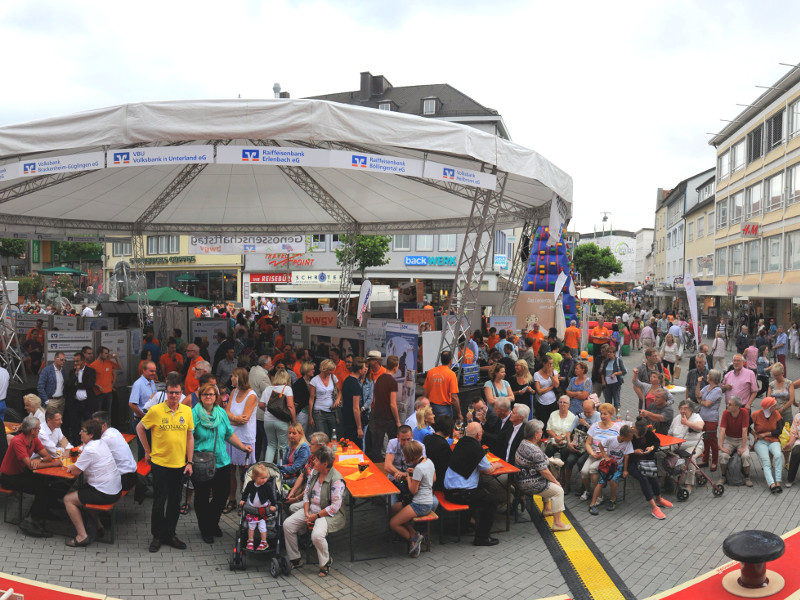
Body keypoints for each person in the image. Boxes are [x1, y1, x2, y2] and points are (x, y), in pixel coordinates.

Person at [136, 378, 194, 553]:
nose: (174, 396)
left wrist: (189, 461)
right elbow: (140, 427)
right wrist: (147, 450)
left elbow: (189, 436)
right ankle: (157, 536)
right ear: (166, 393)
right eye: (171, 392)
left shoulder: (187, 411)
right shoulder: (156, 410)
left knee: (175, 501)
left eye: (177, 392)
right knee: (159, 501)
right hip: (160, 463)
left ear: (181, 393)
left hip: (179, 464)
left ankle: (170, 534)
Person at [191, 383, 252, 543]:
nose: (208, 397)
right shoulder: (194, 414)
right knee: (202, 497)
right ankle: (206, 529)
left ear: (216, 396)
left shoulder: (221, 414)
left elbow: (229, 434)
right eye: (205, 394)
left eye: (211, 394)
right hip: (201, 462)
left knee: (222, 495)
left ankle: (212, 522)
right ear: (200, 397)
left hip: (221, 461)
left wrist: (242, 446)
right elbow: (188, 438)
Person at [283, 445, 345, 577]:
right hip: (311, 509)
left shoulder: (337, 480)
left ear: (325, 464)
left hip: (327, 514)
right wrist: (306, 512)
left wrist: (315, 516)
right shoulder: (314, 473)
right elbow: (306, 494)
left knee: (316, 535)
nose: (313, 462)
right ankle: (295, 558)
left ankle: (325, 562)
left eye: (316, 460)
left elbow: (334, 506)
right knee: (288, 525)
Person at [0, 415, 65, 537]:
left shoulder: (34, 439)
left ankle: (41, 513)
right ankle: (30, 521)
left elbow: (47, 457)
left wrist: (39, 462)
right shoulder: (17, 441)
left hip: (21, 472)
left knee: (46, 482)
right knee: (42, 489)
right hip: (9, 477)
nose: (40, 430)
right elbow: (31, 466)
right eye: (38, 428)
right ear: (32, 430)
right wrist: (54, 463)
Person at [62, 419, 121, 547]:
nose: (79, 433)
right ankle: (99, 526)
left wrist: (71, 466)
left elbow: (76, 472)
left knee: (68, 499)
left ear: (91, 434)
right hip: (115, 489)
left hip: (105, 492)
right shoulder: (101, 443)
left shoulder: (90, 450)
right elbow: (80, 449)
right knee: (83, 492)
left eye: (83, 431)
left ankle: (82, 536)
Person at [443, 422, 501, 546]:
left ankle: (464, 526)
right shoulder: (477, 448)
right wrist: (496, 465)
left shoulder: (460, 443)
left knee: (479, 490)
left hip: (448, 491)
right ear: (479, 435)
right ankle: (482, 537)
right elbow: (487, 469)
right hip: (461, 494)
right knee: (491, 501)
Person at [514, 419, 570, 531]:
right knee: (558, 490)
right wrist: (556, 481)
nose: (541, 433)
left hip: (520, 478)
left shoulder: (523, 443)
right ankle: (558, 524)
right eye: (540, 431)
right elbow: (544, 470)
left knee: (547, 481)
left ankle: (547, 509)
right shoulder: (535, 450)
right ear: (535, 435)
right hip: (530, 483)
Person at [389, 440, 435, 558]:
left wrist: (409, 476)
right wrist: (415, 473)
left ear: (410, 456)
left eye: (405, 455)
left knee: (393, 523)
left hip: (420, 504)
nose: (404, 457)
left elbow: (412, 490)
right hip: (427, 500)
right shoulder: (429, 462)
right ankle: (414, 533)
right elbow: (433, 479)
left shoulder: (419, 468)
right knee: (395, 509)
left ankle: (413, 539)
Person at [628, 418, 672, 519]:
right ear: (634, 428)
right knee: (643, 479)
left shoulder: (648, 432)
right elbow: (622, 450)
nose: (639, 437)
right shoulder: (629, 434)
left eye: (642, 436)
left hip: (646, 461)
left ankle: (659, 498)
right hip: (632, 462)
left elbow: (657, 442)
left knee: (653, 477)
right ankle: (654, 507)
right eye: (638, 435)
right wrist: (634, 451)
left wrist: (651, 448)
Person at [587, 424, 634, 515]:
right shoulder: (611, 439)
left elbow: (626, 456)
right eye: (630, 437)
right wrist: (605, 456)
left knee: (613, 480)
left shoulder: (628, 443)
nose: (631, 439)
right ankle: (592, 503)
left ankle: (613, 499)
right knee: (601, 482)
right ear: (623, 437)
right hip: (608, 465)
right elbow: (601, 444)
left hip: (618, 466)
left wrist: (625, 470)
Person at [580, 403, 620, 501]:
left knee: (593, 469)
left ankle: (599, 495)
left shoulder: (616, 428)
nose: (602, 416)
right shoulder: (594, 426)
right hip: (593, 454)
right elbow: (588, 443)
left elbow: (616, 446)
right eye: (601, 414)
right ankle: (588, 491)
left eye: (605, 414)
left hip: (606, 456)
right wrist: (592, 453)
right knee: (583, 472)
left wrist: (602, 454)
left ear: (611, 415)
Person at [92, 411, 138, 494]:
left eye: (95, 424)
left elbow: (89, 453)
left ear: (104, 425)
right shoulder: (114, 431)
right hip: (132, 475)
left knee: (92, 477)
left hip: (124, 480)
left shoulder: (106, 439)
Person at [666, 401, 705, 495]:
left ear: (691, 409)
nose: (683, 411)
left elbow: (700, 427)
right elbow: (670, 433)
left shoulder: (696, 417)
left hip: (693, 446)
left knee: (690, 459)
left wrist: (687, 422)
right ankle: (666, 480)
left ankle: (689, 485)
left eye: (685, 408)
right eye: (681, 408)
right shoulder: (676, 419)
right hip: (677, 446)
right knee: (662, 453)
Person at [284, 432, 328, 510]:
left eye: (312, 444)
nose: (309, 445)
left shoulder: (323, 463)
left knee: (291, 506)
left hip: (313, 495)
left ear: (321, 446)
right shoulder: (312, 456)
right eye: (289, 432)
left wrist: (296, 498)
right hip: (305, 487)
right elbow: (302, 475)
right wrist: (292, 492)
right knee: (285, 497)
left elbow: (310, 488)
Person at [239, 463, 278, 551]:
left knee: (262, 527)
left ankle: (264, 542)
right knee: (251, 526)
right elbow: (245, 492)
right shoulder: (250, 484)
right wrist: (243, 499)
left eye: (266, 477)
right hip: (252, 508)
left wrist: (273, 505)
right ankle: (250, 541)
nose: (265, 480)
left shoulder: (267, 486)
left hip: (263, 509)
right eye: (262, 478)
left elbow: (271, 496)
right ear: (255, 477)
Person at [369, 355, 401, 461]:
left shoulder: (379, 379)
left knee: (377, 443)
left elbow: (374, 398)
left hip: (378, 414)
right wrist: (397, 421)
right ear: (395, 367)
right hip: (388, 417)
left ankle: (376, 465)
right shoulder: (392, 382)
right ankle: (392, 462)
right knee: (393, 441)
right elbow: (393, 404)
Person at [717, 396, 753, 487]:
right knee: (723, 456)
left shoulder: (744, 412)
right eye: (727, 403)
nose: (727, 405)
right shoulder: (726, 413)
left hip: (742, 439)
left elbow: (745, 430)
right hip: (729, 439)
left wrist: (743, 447)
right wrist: (721, 446)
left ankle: (747, 477)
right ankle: (723, 476)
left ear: (737, 407)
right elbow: (722, 430)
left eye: (729, 404)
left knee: (745, 455)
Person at [752, 397, 784, 493]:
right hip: (760, 442)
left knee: (778, 455)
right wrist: (754, 435)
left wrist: (766, 434)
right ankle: (772, 484)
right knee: (766, 461)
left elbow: (779, 430)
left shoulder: (777, 414)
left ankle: (778, 482)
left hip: (774, 440)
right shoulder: (756, 414)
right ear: (769, 407)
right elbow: (746, 426)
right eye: (774, 405)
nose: (776, 407)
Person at [65, 351, 97, 444]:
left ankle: (89, 442)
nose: (76, 363)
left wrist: (77, 385)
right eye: (74, 361)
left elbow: (89, 385)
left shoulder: (91, 371)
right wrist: (75, 376)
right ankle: (76, 444)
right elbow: (69, 385)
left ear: (83, 361)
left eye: (77, 361)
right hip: (75, 403)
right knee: (75, 425)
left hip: (87, 403)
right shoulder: (72, 372)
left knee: (88, 424)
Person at [695, 369, 723, 470]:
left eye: (708, 375)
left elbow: (707, 403)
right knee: (704, 440)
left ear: (712, 377)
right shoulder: (707, 387)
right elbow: (697, 395)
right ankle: (705, 459)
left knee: (712, 441)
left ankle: (715, 461)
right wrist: (698, 383)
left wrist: (700, 402)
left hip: (711, 419)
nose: (706, 376)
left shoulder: (717, 390)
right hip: (703, 418)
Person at [309, 359, 341, 439]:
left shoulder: (333, 377)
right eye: (330, 370)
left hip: (331, 411)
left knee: (334, 435)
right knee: (321, 437)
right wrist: (310, 416)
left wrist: (337, 400)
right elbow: (311, 399)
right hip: (319, 412)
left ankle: (332, 451)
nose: (332, 372)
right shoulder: (314, 380)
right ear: (324, 369)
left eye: (332, 370)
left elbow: (340, 391)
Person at [423, 351, 460, 420]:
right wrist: (459, 413)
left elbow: (425, 391)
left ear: (441, 360)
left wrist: (424, 406)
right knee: (444, 429)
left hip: (430, 406)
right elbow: (454, 397)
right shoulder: (451, 375)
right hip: (444, 409)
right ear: (451, 361)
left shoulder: (431, 372)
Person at [249, 356, 272, 462]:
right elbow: (268, 394)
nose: (272, 364)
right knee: (267, 441)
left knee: (257, 440)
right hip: (262, 413)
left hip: (253, 411)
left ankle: (255, 461)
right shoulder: (263, 376)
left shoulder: (253, 369)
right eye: (271, 362)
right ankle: (265, 464)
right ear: (265, 365)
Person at [423, 415, 453, 491]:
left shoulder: (427, 438)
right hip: (437, 483)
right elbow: (447, 467)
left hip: (425, 477)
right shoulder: (444, 445)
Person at [89, 347, 121, 414]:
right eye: (105, 353)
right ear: (100, 354)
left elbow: (120, 367)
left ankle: (108, 424)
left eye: (107, 353)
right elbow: (90, 380)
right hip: (98, 393)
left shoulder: (109, 362)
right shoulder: (93, 365)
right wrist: (97, 386)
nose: (107, 355)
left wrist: (116, 357)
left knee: (108, 412)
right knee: (98, 413)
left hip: (109, 392)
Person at [341, 358, 365, 446]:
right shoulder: (356, 385)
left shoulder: (346, 381)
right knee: (356, 447)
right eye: (364, 368)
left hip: (346, 419)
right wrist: (359, 427)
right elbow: (356, 407)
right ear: (360, 370)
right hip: (353, 422)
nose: (365, 369)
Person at [279, 423, 311, 489]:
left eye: (294, 433)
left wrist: (280, 468)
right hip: (289, 474)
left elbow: (295, 469)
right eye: (289, 433)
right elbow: (284, 462)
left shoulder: (304, 447)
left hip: (299, 477)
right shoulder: (289, 445)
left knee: (276, 482)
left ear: (300, 434)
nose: (291, 435)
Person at [545, 396, 577, 460]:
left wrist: (562, 438)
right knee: (549, 449)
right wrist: (556, 437)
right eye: (560, 402)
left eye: (565, 403)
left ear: (569, 405)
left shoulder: (573, 417)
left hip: (565, 441)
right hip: (553, 440)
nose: (562, 404)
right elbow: (548, 429)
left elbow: (572, 432)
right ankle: (548, 467)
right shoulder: (553, 414)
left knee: (565, 451)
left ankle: (563, 469)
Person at [534, 355, 560, 424]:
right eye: (549, 363)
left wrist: (550, 375)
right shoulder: (537, 374)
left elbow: (556, 385)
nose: (551, 365)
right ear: (544, 363)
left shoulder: (554, 372)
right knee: (543, 422)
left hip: (553, 401)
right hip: (541, 402)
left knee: (552, 422)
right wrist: (551, 387)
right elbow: (539, 391)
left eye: (552, 363)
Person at [600, 345, 626, 412]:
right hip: (608, 384)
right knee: (607, 402)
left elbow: (623, 371)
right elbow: (602, 372)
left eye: (611, 352)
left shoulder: (618, 360)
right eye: (608, 352)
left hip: (616, 384)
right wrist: (603, 381)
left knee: (617, 402)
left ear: (614, 353)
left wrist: (615, 373)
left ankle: (618, 416)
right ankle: (608, 416)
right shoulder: (606, 361)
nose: (609, 353)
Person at [291, 361, 314, 434]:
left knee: (309, 433)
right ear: (306, 370)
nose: (314, 370)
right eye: (312, 369)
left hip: (311, 411)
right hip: (302, 411)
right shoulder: (299, 383)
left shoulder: (312, 381)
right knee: (301, 432)